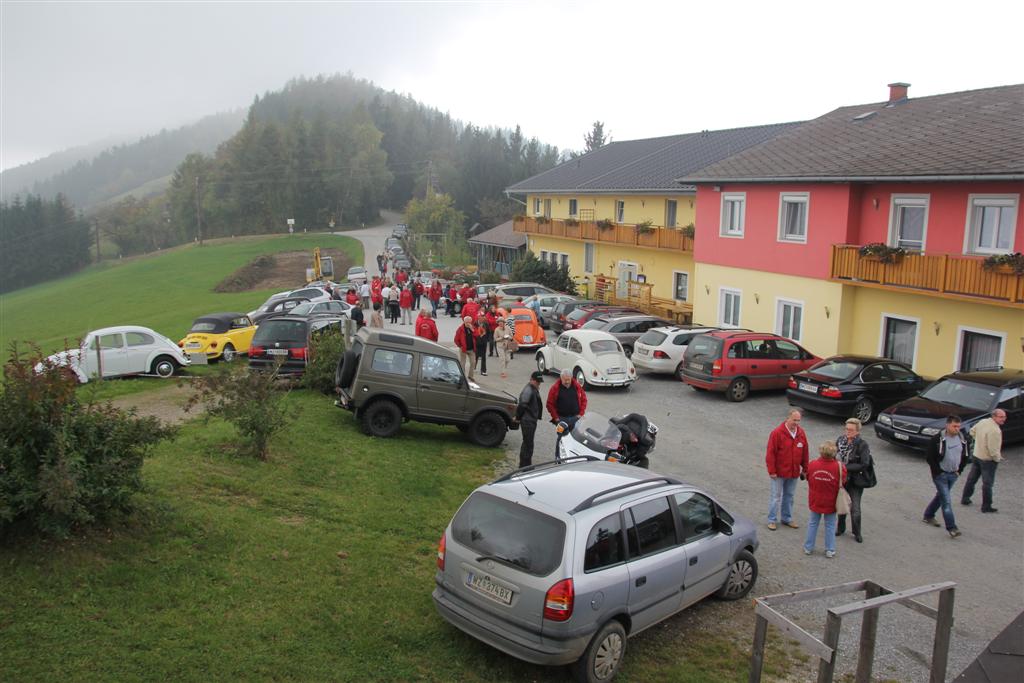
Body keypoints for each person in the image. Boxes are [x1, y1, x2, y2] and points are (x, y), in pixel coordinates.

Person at [924, 415, 971, 538]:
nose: (957, 429)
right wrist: (938, 472)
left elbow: (965, 456)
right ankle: (952, 528)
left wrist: (959, 471)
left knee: (940, 496)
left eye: (958, 426)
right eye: (954, 426)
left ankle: (928, 515)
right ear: (947, 425)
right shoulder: (937, 439)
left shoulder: (962, 438)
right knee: (946, 501)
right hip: (941, 475)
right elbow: (930, 458)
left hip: (953, 474)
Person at [765, 408, 809, 531]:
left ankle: (786, 518)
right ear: (788, 418)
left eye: (798, 420)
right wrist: (772, 471)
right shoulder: (777, 433)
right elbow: (770, 453)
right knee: (776, 497)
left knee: (789, 496)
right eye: (794, 420)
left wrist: (805, 469)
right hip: (778, 473)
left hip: (793, 472)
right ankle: (772, 520)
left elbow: (805, 452)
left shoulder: (801, 433)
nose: (796, 423)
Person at [803, 442, 846, 559]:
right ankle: (829, 549)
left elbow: (808, 477)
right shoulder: (839, 467)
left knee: (813, 523)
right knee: (830, 525)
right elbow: (843, 481)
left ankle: (808, 547)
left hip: (815, 499)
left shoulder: (812, 464)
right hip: (831, 501)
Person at [835, 418, 874, 543]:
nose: (848, 432)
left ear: (857, 431)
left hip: (856, 481)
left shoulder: (863, 444)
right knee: (842, 504)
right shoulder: (840, 440)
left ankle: (857, 532)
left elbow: (864, 463)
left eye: (851, 430)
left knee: (855, 508)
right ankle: (840, 528)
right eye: (846, 429)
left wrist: (845, 467)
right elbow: (834, 454)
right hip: (842, 479)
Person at [961, 409, 1006, 513]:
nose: (1004, 419)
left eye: (1004, 417)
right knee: (987, 484)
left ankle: (965, 498)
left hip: (977, 455)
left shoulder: (983, 422)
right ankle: (986, 506)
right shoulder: (995, 430)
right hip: (988, 460)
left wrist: (980, 442)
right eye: (1001, 417)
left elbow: (972, 431)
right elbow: (993, 450)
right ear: (994, 417)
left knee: (971, 479)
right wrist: (997, 458)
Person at [546, 368, 587, 458]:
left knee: (576, 439)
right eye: (565, 380)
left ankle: (573, 457)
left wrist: (581, 413)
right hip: (561, 419)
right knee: (561, 439)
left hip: (575, 418)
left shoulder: (577, 386)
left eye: (569, 379)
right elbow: (549, 404)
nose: (567, 382)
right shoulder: (555, 388)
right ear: (561, 378)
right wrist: (556, 418)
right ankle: (558, 457)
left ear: (572, 378)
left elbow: (584, 399)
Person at [515, 371, 544, 468]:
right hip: (528, 421)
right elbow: (522, 404)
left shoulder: (533, 388)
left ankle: (526, 464)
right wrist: (518, 417)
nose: (539, 384)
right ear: (532, 380)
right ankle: (524, 466)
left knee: (528, 443)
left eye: (539, 382)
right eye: (537, 382)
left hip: (531, 420)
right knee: (528, 444)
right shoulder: (528, 390)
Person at [454, 316, 476, 380]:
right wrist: (460, 346)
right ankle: (462, 376)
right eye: (467, 322)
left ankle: (470, 376)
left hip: (471, 349)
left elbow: (477, 336)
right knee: (463, 363)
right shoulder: (460, 329)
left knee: (473, 362)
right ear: (464, 322)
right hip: (463, 349)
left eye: (470, 322)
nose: (468, 324)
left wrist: (472, 330)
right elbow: (456, 339)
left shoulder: (472, 328)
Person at [493, 311, 511, 379]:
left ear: (504, 323)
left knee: (508, 360)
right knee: (502, 359)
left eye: (501, 322)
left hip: (507, 346)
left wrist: (509, 337)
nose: (500, 323)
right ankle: (503, 372)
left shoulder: (508, 328)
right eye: (499, 322)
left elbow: (511, 336)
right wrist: (502, 338)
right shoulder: (496, 329)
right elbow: (495, 339)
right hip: (500, 346)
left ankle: (504, 370)